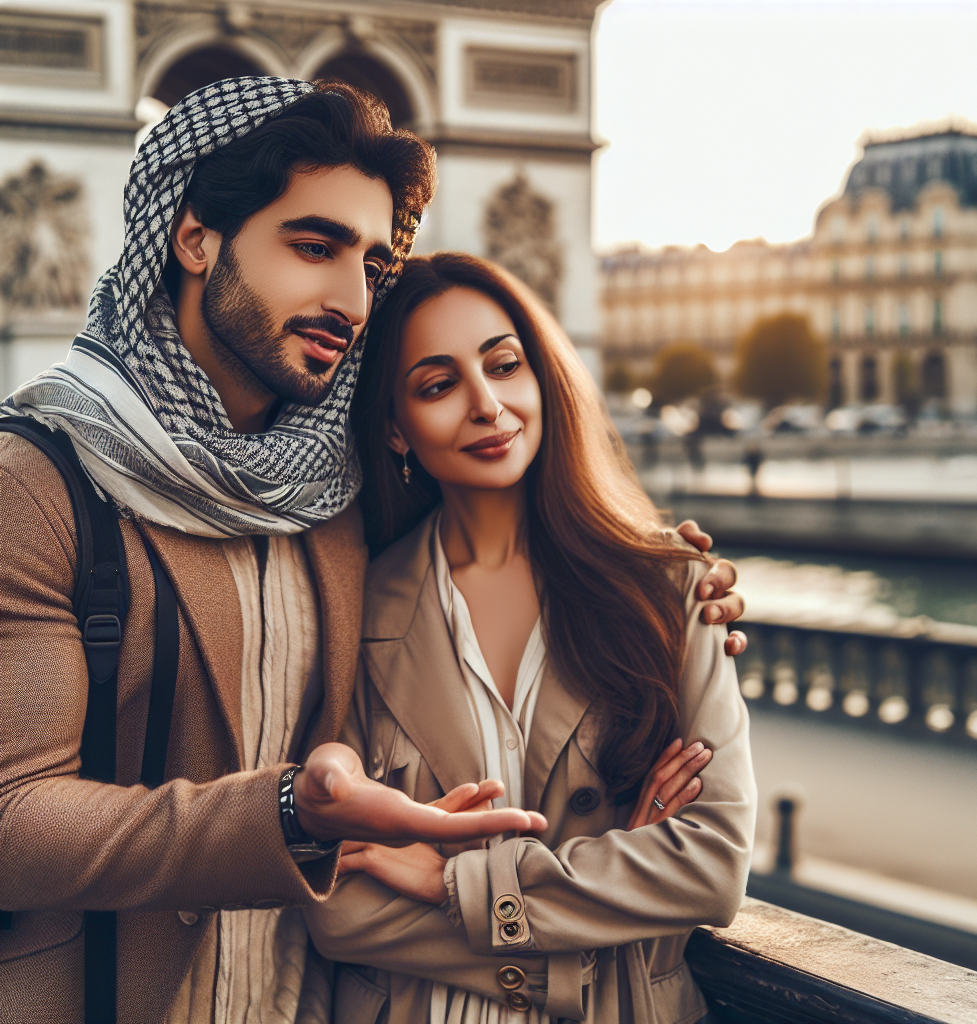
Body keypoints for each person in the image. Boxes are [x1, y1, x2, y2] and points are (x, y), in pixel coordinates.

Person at [0, 79, 552, 1024]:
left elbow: (511, 534)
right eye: (314, 246)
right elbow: (12, 821)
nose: (351, 298)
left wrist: (673, 589)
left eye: (374, 267)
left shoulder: (341, 488)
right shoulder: (37, 483)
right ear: (193, 237)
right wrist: (288, 814)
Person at [303, 253, 757, 1023]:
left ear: (543, 375)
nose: (488, 404)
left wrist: (452, 884)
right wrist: (603, 909)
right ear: (395, 428)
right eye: (439, 385)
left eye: (504, 365)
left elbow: (711, 867)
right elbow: (336, 908)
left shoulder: (673, 583)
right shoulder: (351, 607)